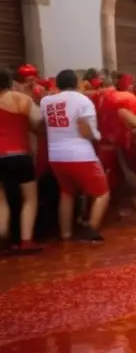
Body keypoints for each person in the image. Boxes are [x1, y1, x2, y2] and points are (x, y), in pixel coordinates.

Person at [40, 68, 109, 242]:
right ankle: (90, 231)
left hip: (55, 155)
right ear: (76, 83)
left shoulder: (46, 101)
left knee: (66, 193)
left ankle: (65, 233)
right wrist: (97, 135)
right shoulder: (82, 101)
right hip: (80, 154)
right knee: (102, 193)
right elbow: (85, 130)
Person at [0, 67, 42, 253]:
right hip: (20, 154)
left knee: (1, 200)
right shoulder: (21, 99)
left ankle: (3, 237)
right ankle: (26, 240)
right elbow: (38, 120)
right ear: (10, 82)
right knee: (30, 198)